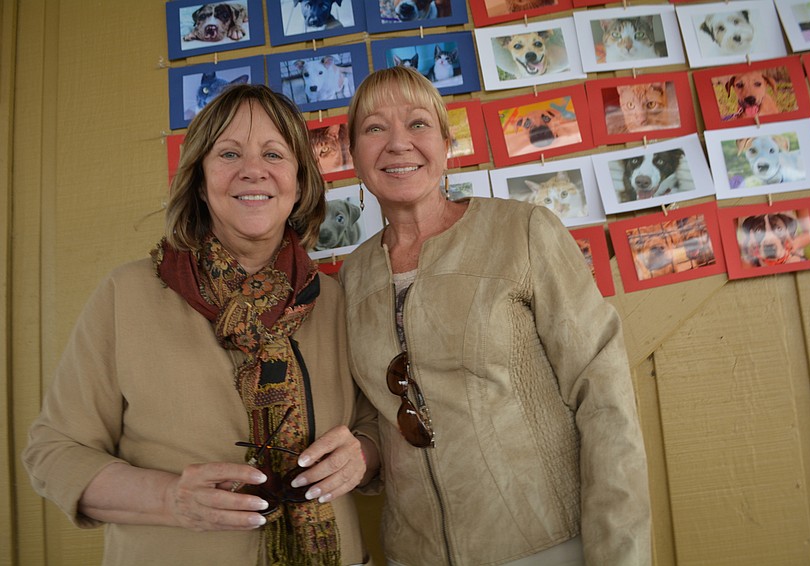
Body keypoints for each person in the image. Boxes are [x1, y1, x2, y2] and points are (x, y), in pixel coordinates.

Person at [22, 84, 380, 566]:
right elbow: (55, 452)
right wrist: (170, 499)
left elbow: (372, 424)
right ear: (199, 179)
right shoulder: (126, 293)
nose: (253, 170)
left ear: (299, 181)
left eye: (274, 153)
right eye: (229, 153)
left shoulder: (336, 300)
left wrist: (363, 452)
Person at [339, 65, 651, 566]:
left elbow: (604, 396)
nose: (398, 143)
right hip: (412, 553)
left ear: (446, 142)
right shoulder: (350, 279)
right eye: (374, 128)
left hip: (546, 546)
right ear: (352, 153)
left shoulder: (522, 232)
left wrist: (619, 552)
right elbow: (371, 416)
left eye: (418, 124)